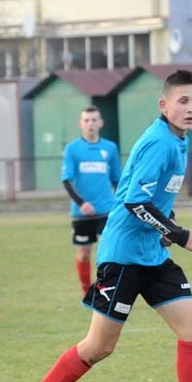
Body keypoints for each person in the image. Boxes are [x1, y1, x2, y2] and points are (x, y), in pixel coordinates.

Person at [5, 69, 192, 382]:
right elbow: (133, 202)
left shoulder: (178, 141)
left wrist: (167, 233)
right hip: (122, 257)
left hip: (151, 255)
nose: (190, 108)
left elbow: (154, 198)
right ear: (163, 105)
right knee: (98, 346)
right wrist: (180, 234)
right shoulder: (160, 143)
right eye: (182, 101)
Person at [61, 106, 121, 294]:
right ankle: (87, 291)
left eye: (94, 120)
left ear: (100, 123)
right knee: (84, 253)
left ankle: (106, 288)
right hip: (82, 213)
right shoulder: (72, 149)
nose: (90, 124)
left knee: (108, 252)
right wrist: (81, 203)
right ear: (81, 124)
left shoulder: (110, 148)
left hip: (106, 210)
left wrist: (120, 205)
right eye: (86, 120)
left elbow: (116, 180)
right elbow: (67, 179)